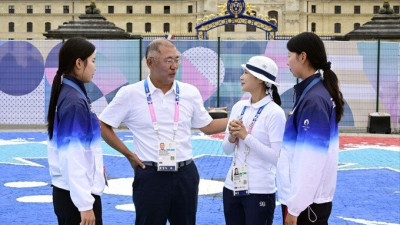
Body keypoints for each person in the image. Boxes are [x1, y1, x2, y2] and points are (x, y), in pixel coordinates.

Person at [99, 38, 228, 225]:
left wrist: (240, 117)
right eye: (168, 60)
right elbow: (103, 125)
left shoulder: (189, 92)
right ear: (150, 63)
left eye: (177, 60)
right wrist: (129, 155)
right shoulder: (130, 94)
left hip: (185, 174)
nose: (174, 66)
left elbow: (207, 126)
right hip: (151, 175)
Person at [276, 32, 345, 225]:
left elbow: (311, 159)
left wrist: (295, 207)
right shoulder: (313, 93)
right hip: (307, 199)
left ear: (302, 57)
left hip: (306, 204)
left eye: (289, 55)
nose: (287, 61)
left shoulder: (314, 99)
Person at [47, 37, 105, 225]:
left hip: (72, 192)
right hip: (76, 197)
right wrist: (85, 205)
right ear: (79, 63)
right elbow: (72, 155)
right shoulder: (74, 101)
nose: (95, 67)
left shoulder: (73, 94)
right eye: (93, 61)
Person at [222, 56, 286, 225]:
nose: (241, 77)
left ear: (259, 79)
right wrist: (232, 136)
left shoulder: (275, 113)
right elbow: (226, 149)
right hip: (232, 187)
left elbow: (277, 158)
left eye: (246, 72)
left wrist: (246, 137)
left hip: (259, 190)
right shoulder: (238, 106)